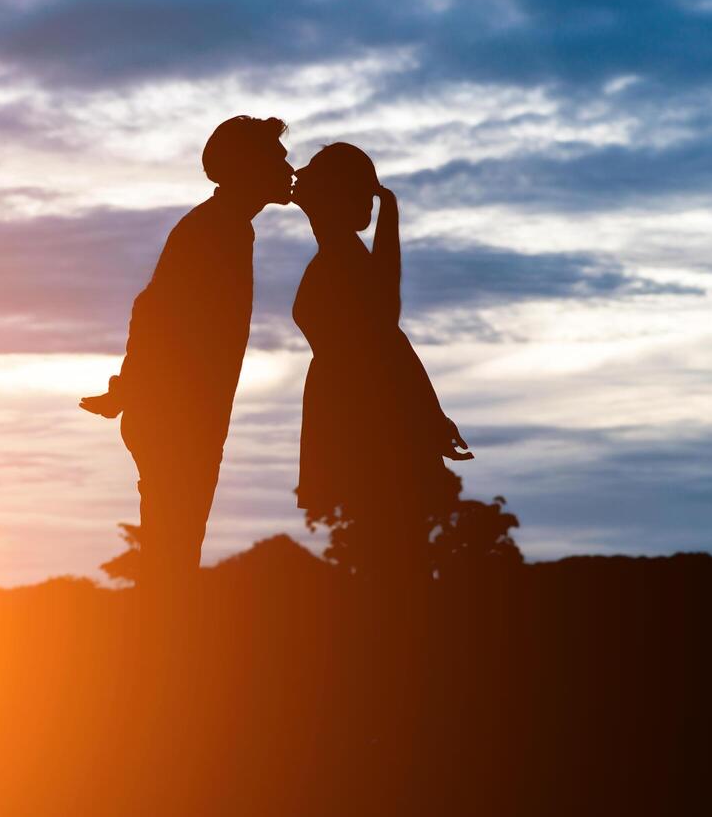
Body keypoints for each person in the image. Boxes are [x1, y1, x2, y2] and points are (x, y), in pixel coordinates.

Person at [81, 116, 294, 592]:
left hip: (180, 417)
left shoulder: (225, 227)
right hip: (176, 421)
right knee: (172, 561)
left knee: (174, 556)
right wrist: (129, 391)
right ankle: (160, 662)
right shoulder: (215, 230)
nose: (289, 168)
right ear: (249, 167)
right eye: (278, 158)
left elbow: (154, 310)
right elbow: (154, 312)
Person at [290, 143, 473, 581]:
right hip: (359, 417)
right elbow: (392, 343)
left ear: (331, 194)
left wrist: (429, 417)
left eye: (313, 174)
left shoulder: (344, 262)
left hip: (365, 424)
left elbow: (387, 346)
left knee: (387, 557)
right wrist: (431, 416)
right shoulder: (344, 258)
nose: (300, 179)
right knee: (384, 554)